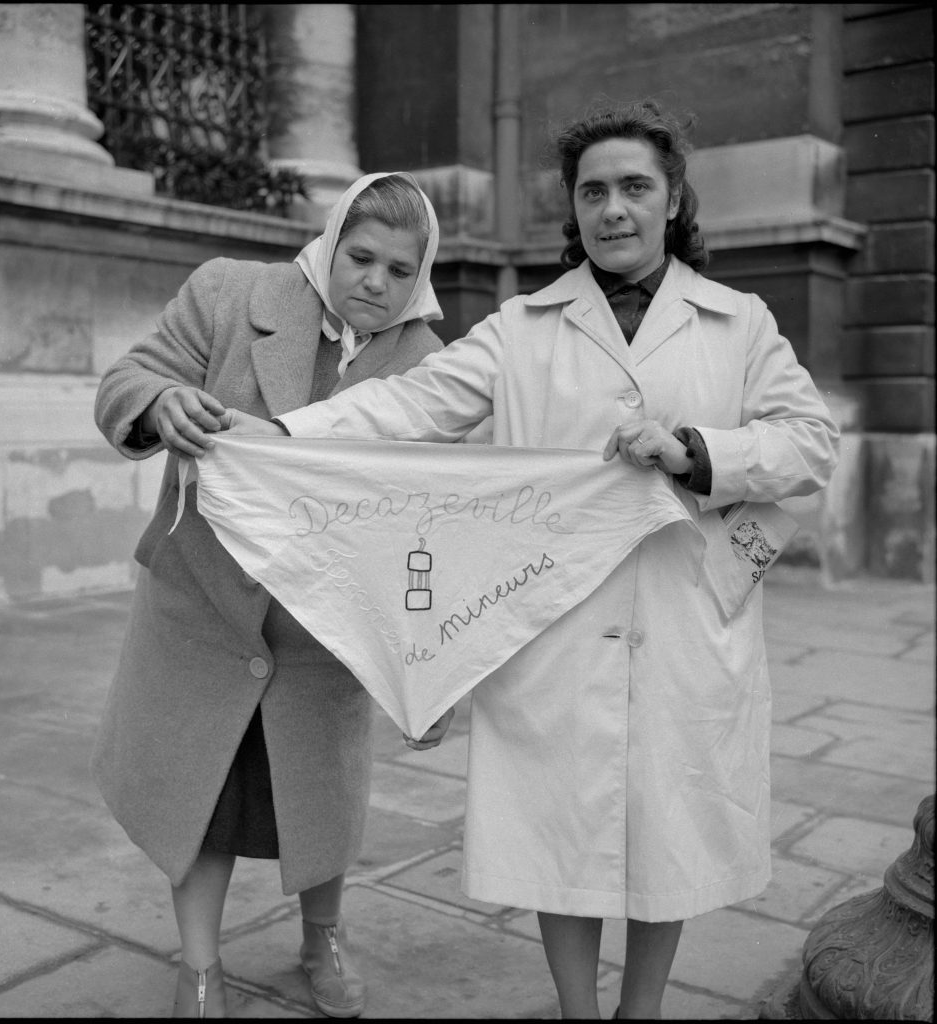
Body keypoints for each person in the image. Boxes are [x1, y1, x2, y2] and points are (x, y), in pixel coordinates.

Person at [229, 100, 841, 1019]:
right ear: (574, 207)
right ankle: (577, 1012)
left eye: (635, 187)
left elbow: (810, 443)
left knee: (666, 836)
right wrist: (280, 433)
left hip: (684, 622)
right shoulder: (522, 327)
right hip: (550, 628)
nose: (614, 210)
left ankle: (640, 1011)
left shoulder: (738, 322)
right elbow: (410, 404)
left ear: (673, 197)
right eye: (593, 191)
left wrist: (697, 451)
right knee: (562, 836)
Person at [91, 171, 453, 1019]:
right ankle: (200, 970)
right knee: (201, 796)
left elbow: (436, 521)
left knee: (316, 801)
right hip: (203, 611)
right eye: (360, 257)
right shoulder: (228, 294)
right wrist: (159, 401)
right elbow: (126, 380)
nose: (375, 281)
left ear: (420, 277)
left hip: (322, 636)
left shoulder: (432, 367)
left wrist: (432, 662)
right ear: (330, 244)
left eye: (400, 270)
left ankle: (321, 938)